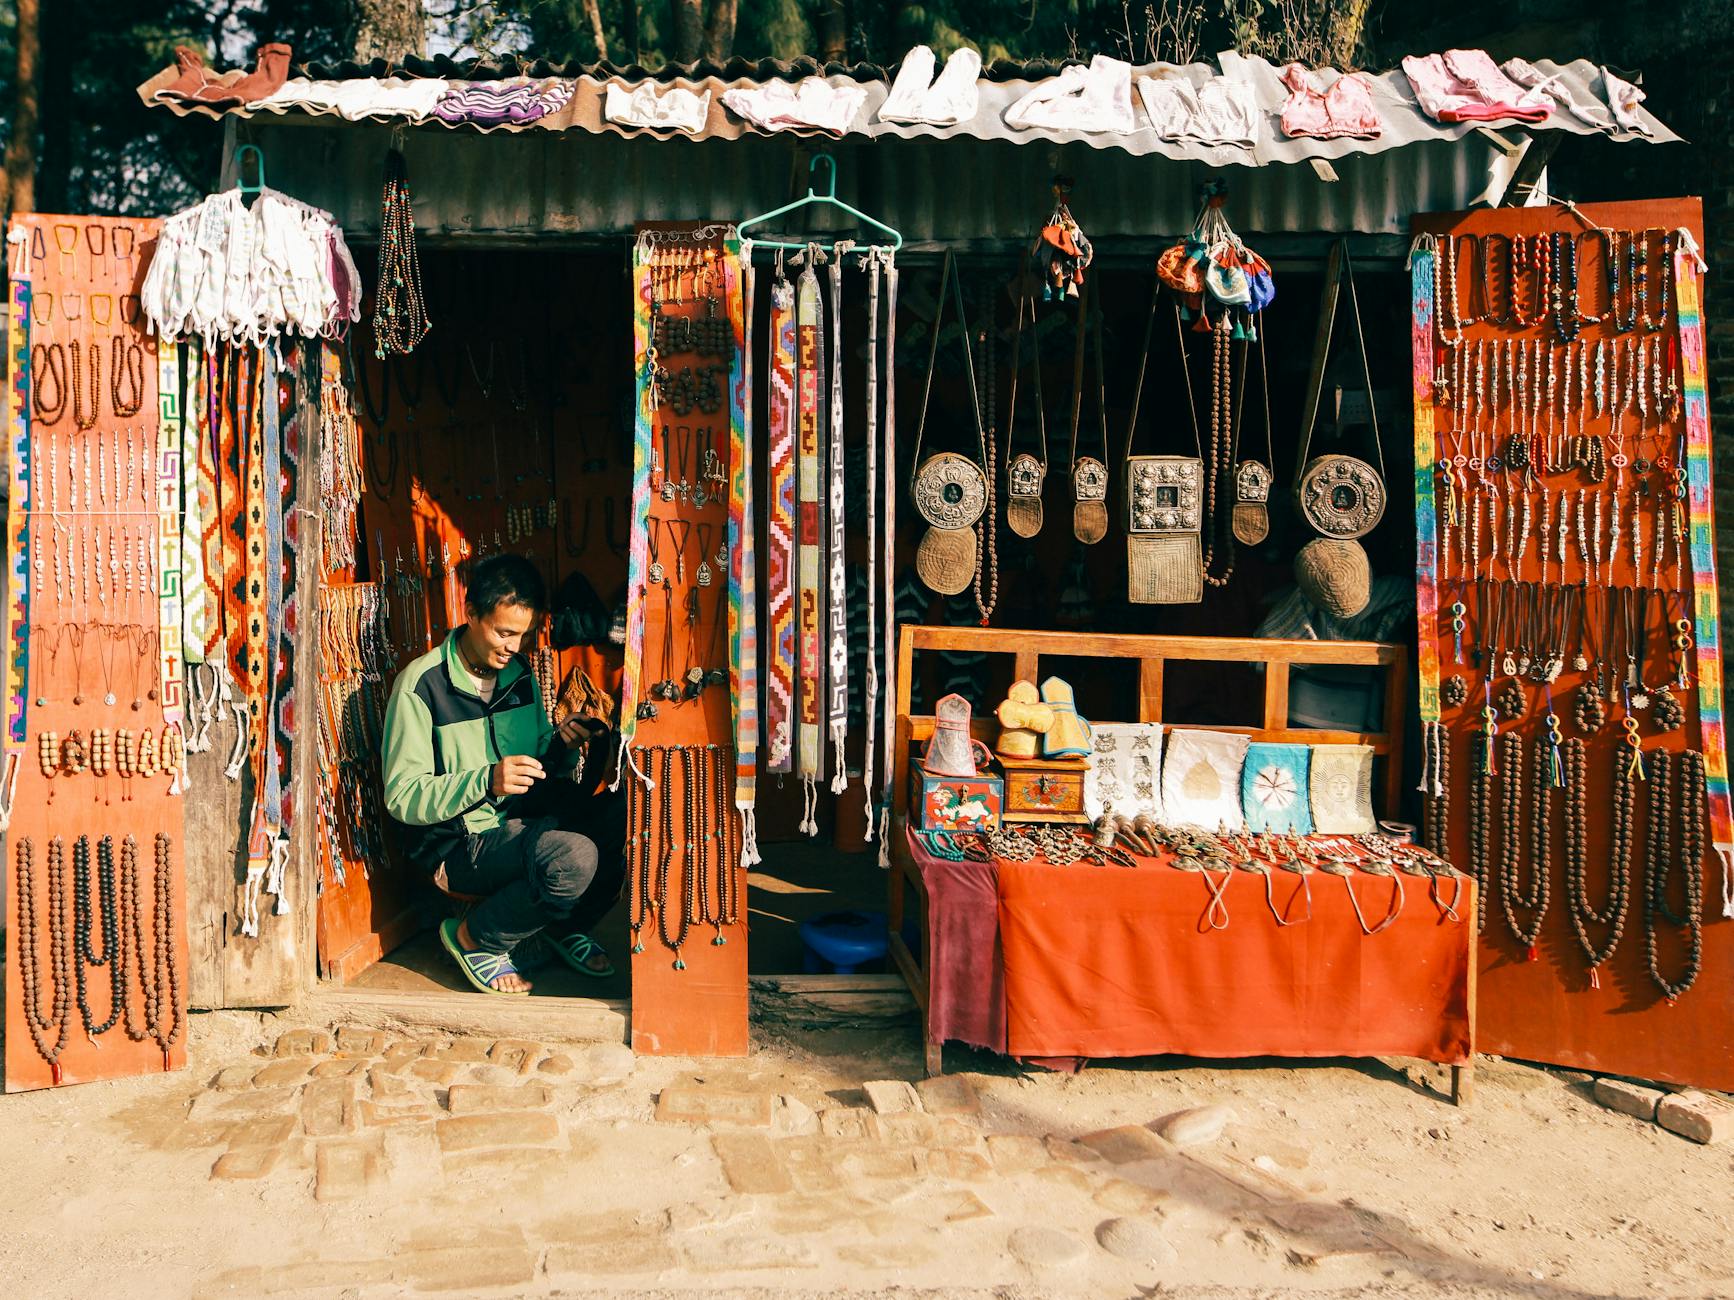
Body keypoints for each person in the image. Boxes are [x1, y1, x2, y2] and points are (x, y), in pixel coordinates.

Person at [382, 553, 625, 995]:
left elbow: (536, 762)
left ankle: (564, 924)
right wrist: (485, 780)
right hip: (461, 844)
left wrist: (562, 745)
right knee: (571, 858)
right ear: (471, 613)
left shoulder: (518, 675)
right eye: (504, 632)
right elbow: (402, 796)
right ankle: (476, 937)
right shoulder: (422, 687)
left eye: (524, 634)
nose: (514, 646)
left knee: (624, 815)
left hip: (522, 822)